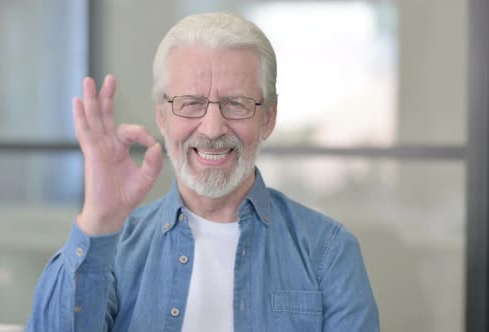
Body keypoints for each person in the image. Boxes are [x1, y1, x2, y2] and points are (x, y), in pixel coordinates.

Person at [27, 12, 379, 332]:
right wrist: (99, 221)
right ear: (163, 117)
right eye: (191, 103)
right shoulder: (117, 248)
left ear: (267, 118)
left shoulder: (328, 253)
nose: (212, 128)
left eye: (236, 104)